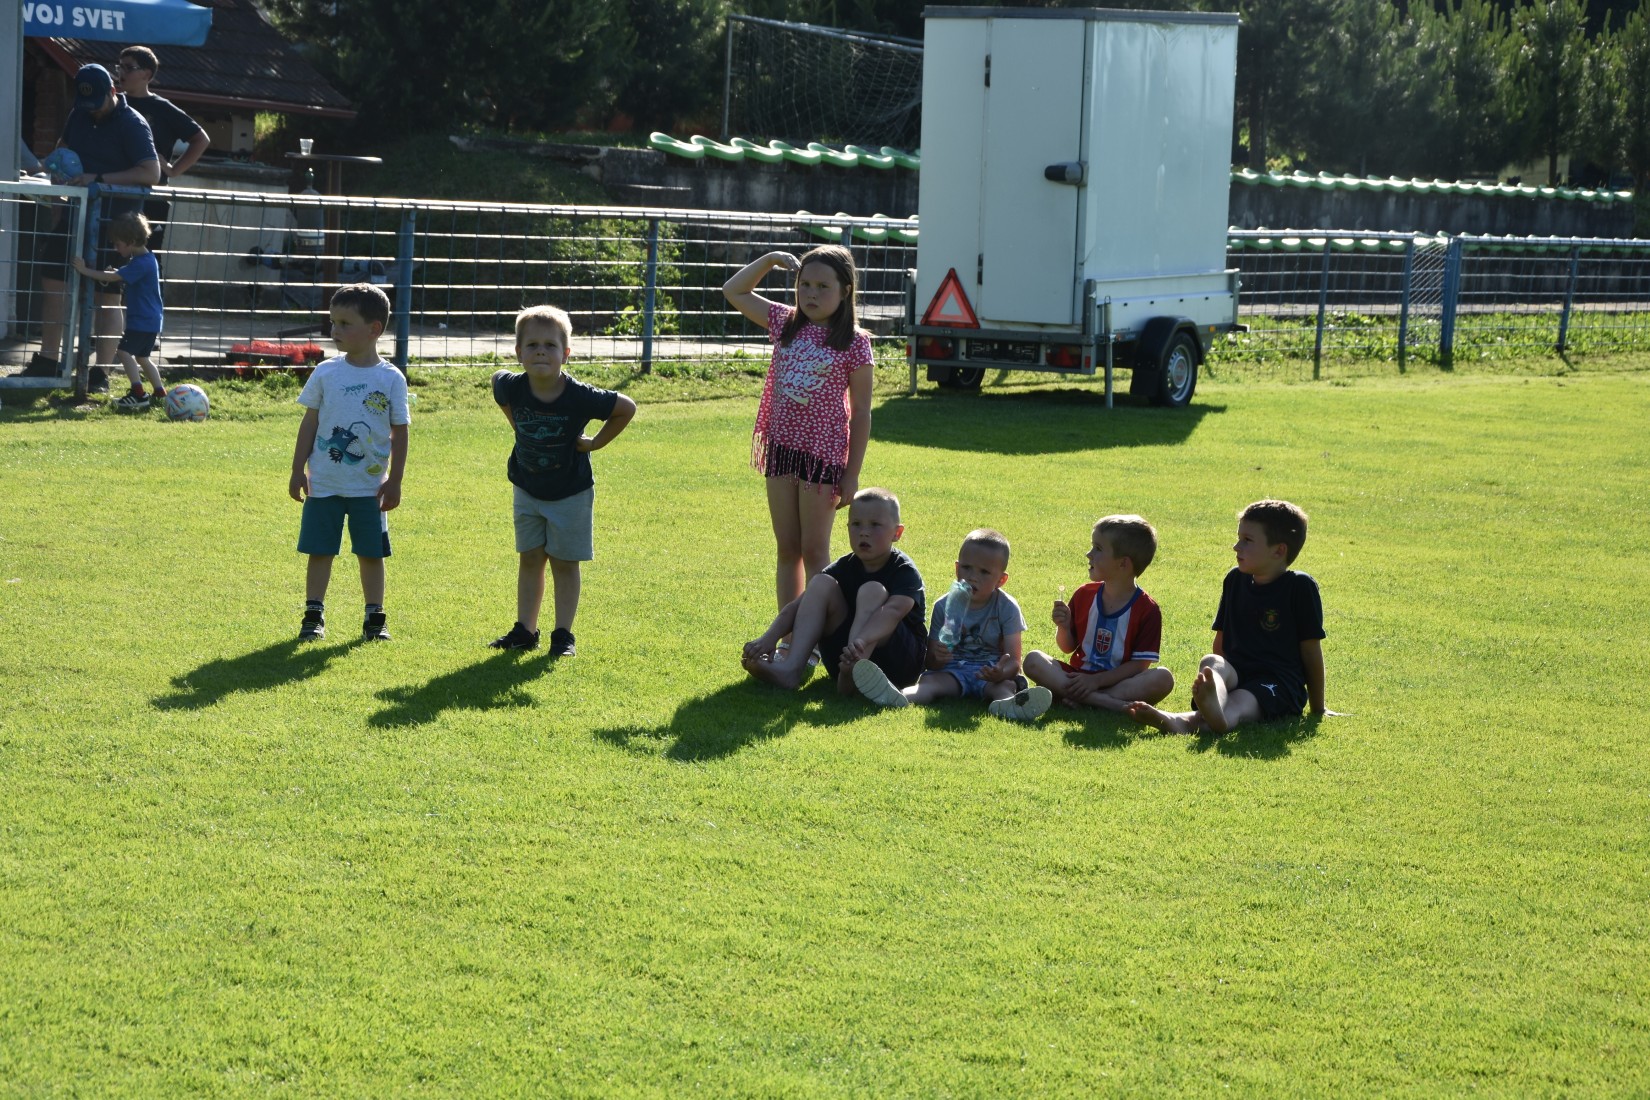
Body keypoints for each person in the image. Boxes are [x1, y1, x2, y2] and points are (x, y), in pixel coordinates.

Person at [722, 245, 874, 614]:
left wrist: (852, 475)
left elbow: (862, 413)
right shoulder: (785, 322)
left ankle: (819, 634)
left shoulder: (855, 343)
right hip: (781, 452)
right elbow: (734, 291)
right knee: (788, 549)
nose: (811, 294)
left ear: (845, 291)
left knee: (814, 551)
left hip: (822, 459)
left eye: (823, 286)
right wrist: (771, 259)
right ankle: (789, 633)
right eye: (804, 284)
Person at [487, 305, 636, 657]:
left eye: (550, 345)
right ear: (518, 352)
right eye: (532, 345)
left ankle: (563, 635)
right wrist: (517, 425)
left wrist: (595, 443)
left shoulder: (580, 395)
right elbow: (496, 383)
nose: (541, 351)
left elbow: (626, 407)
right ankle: (525, 630)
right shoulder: (511, 386)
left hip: (570, 493)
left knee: (565, 563)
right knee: (530, 558)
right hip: (527, 488)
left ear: (566, 354)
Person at [1127, 500, 1332, 735]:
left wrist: (1318, 708)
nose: (1236, 547)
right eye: (1238, 538)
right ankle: (1209, 706)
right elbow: (1221, 640)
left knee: (1242, 700)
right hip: (1237, 673)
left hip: (1277, 683)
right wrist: (1221, 679)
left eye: (1247, 540)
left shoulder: (1299, 587)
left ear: (1278, 551)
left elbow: (1311, 651)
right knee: (1212, 662)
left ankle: (1199, 719)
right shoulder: (1235, 579)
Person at [21, 64, 160, 390]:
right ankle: (48, 362)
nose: (92, 110)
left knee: (106, 295)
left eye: (97, 103)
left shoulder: (133, 123)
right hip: (74, 216)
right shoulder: (79, 114)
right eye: (86, 104)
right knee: (53, 281)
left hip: (115, 225)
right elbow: (63, 148)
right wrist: (50, 172)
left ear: (113, 91)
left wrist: (97, 179)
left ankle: (100, 374)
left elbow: (151, 172)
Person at [288, 284, 409, 642]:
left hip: (370, 488)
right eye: (333, 322)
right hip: (324, 483)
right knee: (320, 550)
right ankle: (313, 614)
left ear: (374, 329)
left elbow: (400, 433)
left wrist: (395, 480)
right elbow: (309, 423)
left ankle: (375, 617)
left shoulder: (390, 379)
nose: (334, 330)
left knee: (371, 553)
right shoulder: (326, 373)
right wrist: (297, 470)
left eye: (344, 323)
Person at [852, 528, 1054, 722]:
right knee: (929, 684)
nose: (972, 576)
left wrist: (1000, 673)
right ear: (957, 568)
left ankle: (1010, 705)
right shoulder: (944, 605)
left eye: (984, 572)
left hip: (990, 672)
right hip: (952, 671)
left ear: (1001, 580)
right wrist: (938, 658)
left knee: (1004, 687)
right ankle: (898, 696)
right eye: (966, 568)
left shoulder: (1007, 607)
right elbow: (931, 661)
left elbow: (1014, 661)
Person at [742, 487, 925, 699]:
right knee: (820, 583)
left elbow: (893, 611)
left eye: (875, 525)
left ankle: (854, 674)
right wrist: (768, 638)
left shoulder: (904, 570)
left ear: (897, 533)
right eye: (856, 524)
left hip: (899, 663)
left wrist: (860, 643)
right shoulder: (844, 567)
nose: (864, 532)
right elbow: (798, 606)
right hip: (844, 660)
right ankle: (790, 670)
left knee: (872, 590)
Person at [1023, 514, 1176, 712]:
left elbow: (1139, 665)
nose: (1089, 554)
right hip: (1077, 677)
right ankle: (1105, 703)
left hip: (1119, 684)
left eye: (1098, 548)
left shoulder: (1148, 610)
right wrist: (1064, 627)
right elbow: (1067, 647)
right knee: (1033, 660)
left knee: (1163, 678)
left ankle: (1083, 698)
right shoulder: (1084, 594)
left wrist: (1096, 681)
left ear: (1123, 564)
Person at [116, 46, 210, 260]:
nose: (121, 72)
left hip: (152, 196)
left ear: (146, 74)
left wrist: (173, 170)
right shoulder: (114, 103)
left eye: (128, 67)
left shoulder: (162, 108)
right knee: (113, 256)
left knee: (147, 259)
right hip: (115, 191)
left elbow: (201, 139)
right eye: (119, 66)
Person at [70, 211, 165, 411]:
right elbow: (123, 275)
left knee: (122, 351)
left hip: (142, 320)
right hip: (151, 319)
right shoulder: (147, 260)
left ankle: (138, 394)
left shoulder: (141, 263)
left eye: (118, 244)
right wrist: (116, 273)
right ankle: (160, 392)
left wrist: (85, 270)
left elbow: (114, 278)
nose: (116, 248)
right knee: (142, 358)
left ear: (132, 241)